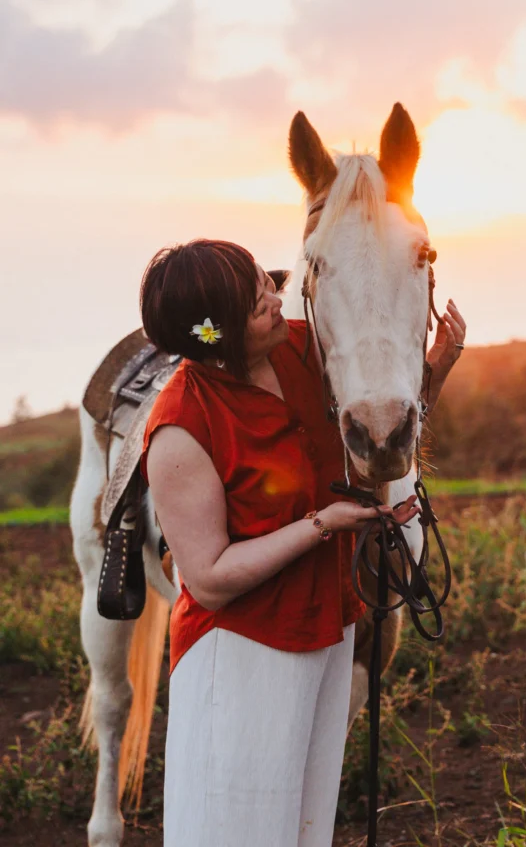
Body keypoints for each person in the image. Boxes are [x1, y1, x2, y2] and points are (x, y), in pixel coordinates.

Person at [139, 238, 466, 847]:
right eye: (255, 293)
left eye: (266, 281)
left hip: (331, 630)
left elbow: (376, 444)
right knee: (238, 830)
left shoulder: (303, 350)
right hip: (243, 652)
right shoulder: (183, 425)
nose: (275, 293)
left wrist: (434, 372)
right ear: (214, 331)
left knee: (304, 830)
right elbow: (207, 577)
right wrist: (323, 525)